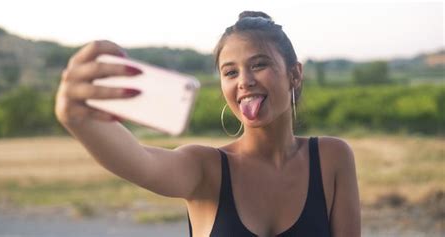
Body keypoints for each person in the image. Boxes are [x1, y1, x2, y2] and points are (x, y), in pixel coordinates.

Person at [55, 11, 360, 237]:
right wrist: (78, 119)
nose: (245, 81)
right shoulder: (205, 167)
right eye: (230, 73)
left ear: (294, 74)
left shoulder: (332, 158)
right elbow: (142, 162)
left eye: (259, 64)